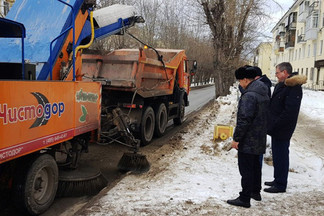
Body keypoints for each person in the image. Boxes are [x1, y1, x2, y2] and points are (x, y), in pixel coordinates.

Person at [227, 66, 270, 208]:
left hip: (248, 139)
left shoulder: (249, 96)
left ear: (246, 79)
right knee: (256, 166)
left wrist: (236, 139)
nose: (239, 84)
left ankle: (244, 198)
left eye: (240, 80)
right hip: (259, 136)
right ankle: (255, 192)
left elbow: (244, 120)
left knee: (246, 169)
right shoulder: (263, 91)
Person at [264, 62, 307, 193]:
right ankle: (277, 179)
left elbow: (290, 112)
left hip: (283, 128)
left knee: (281, 155)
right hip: (276, 127)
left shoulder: (293, 87)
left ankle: (281, 184)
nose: (276, 75)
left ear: (284, 72)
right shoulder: (283, 85)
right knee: (277, 154)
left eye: (277, 73)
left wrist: (276, 124)